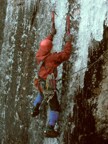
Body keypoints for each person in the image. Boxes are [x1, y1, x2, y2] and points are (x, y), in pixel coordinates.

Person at [32, 25, 72, 137]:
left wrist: (51, 34)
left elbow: (46, 44)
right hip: (48, 85)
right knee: (55, 107)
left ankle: (34, 109)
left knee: (40, 93)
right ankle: (49, 128)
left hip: (40, 81)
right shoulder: (52, 58)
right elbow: (65, 55)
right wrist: (68, 42)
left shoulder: (40, 54)